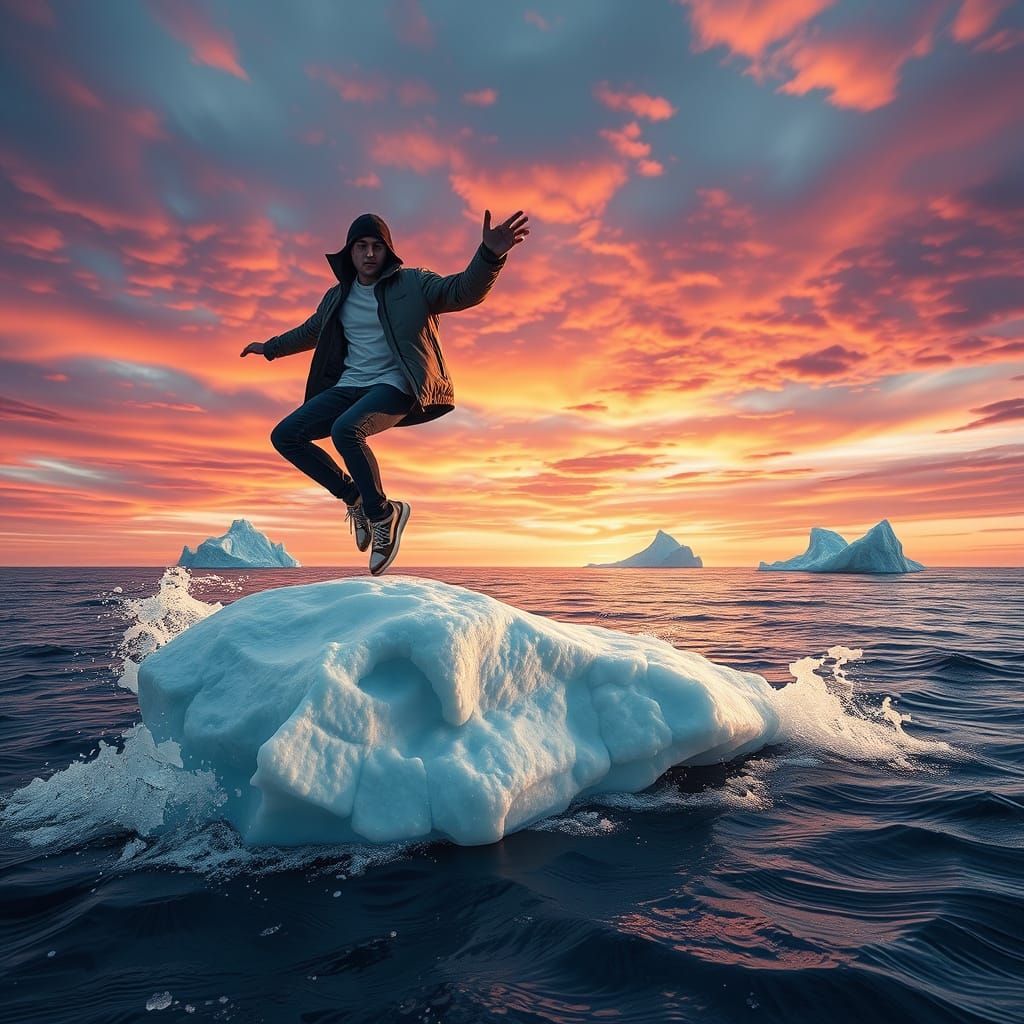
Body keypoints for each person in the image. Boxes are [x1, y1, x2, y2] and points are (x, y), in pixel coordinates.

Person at [240, 209, 529, 575]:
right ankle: (356, 498)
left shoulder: (414, 283)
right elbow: (311, 331)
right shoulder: (336, 297)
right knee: (285, 435)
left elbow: (460, 291)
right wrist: (270, 348)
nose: (369, 254)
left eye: (377, 246)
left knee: (346, 431)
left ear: (388, 251)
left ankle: (383, 515)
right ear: (350, 252)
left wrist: (489, 255)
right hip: (349, 386)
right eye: (361, 246)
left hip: (396, 384)